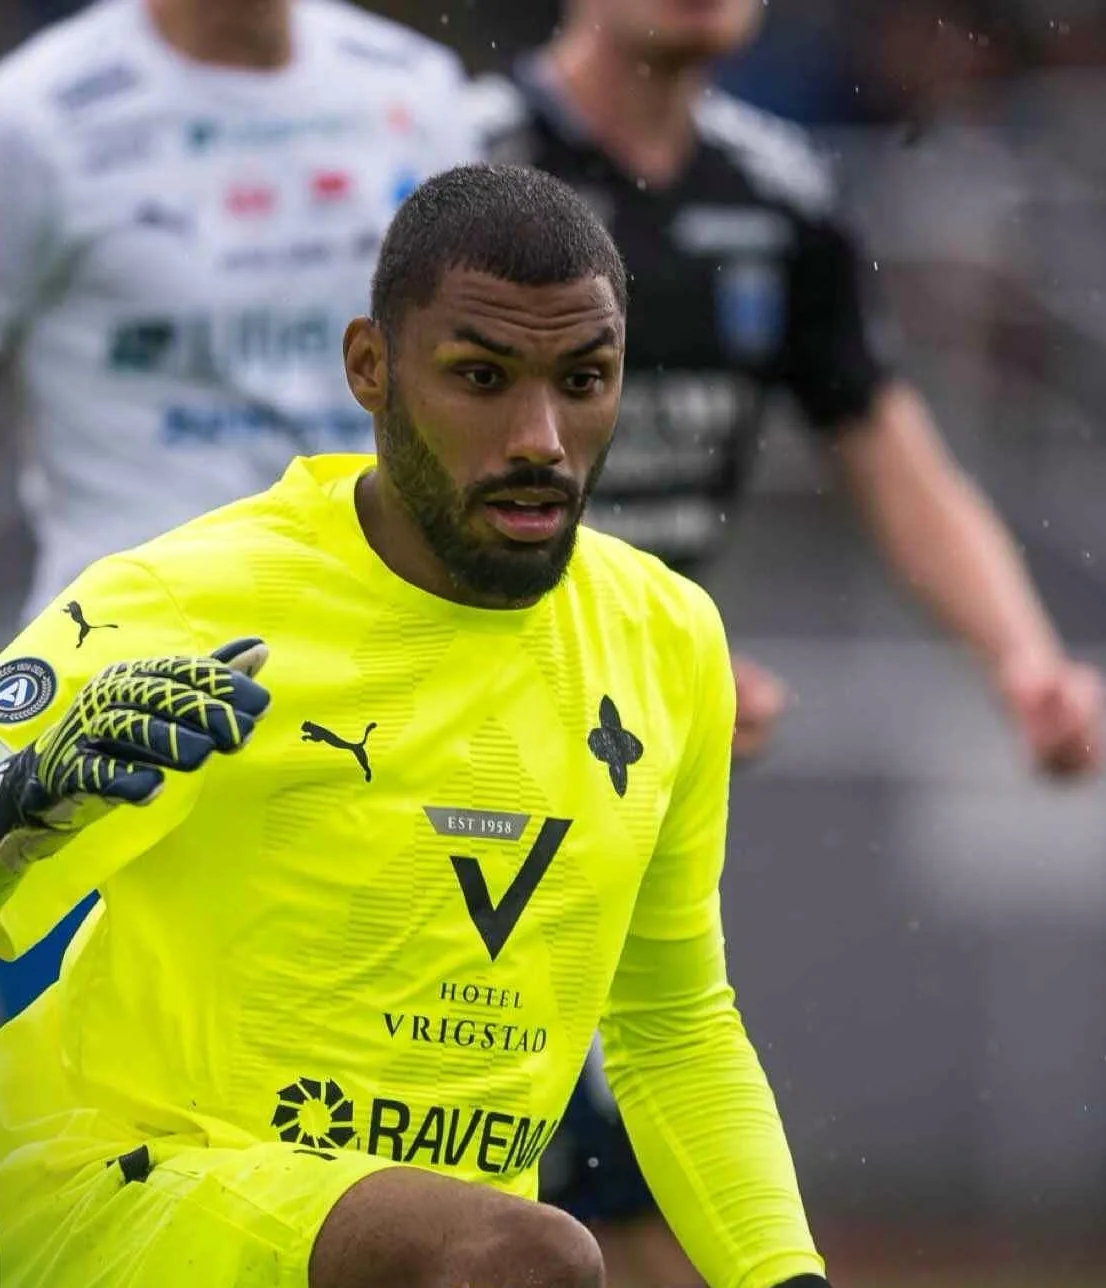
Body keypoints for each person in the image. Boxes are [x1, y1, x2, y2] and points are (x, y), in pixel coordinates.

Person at [0, 163, 832, 1288]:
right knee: (527, 1256)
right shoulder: (180, 605)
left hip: (429, 1256)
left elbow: (674, 1026)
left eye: (582, 380)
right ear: (370, 368)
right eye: (481, 377)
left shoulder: (667, 636)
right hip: (124, 1204)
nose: (539, 436)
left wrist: (785, 1276)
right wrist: (18, 815)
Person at [468, 0, 1104, 1281]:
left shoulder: (778, 191)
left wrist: (1020, 655)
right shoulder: (460, 159)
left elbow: (883, 440)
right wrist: (629, 657)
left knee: (604, 1189)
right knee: (544, 1187)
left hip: (614, 775)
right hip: (452, 735)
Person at [0, 0, 473, 1019]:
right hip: (110, 720)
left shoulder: (417, 91)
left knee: (431, 1086)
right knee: (61, 1093)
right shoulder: (33, 120)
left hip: (376, 704)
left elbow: (493, 388)